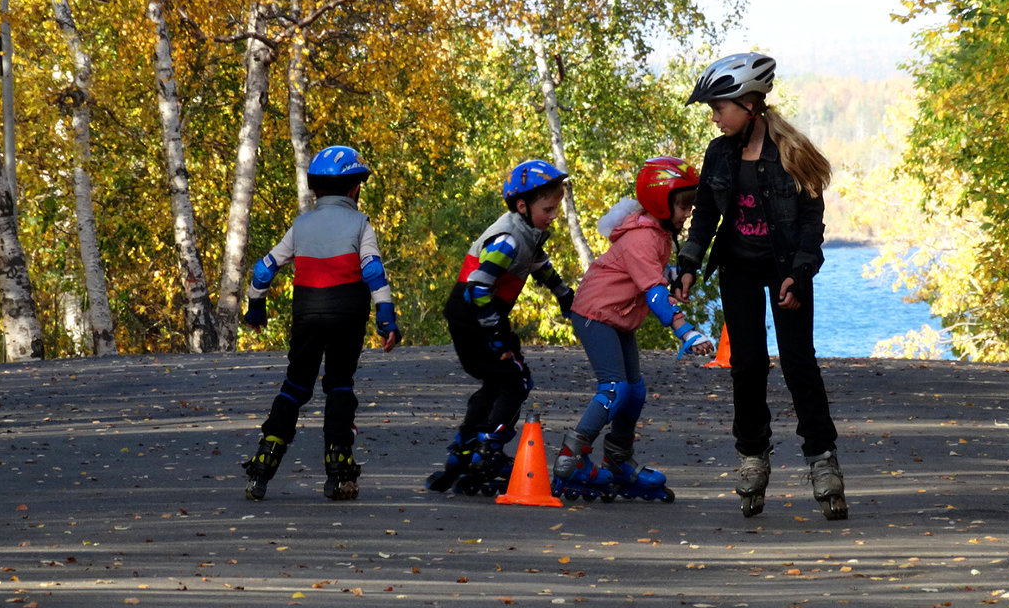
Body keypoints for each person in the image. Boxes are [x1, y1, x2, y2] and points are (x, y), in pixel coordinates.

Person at [673, 53, 848, 520]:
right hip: (739, 269)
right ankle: (753, 455)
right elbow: (706, 215)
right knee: (746, 365)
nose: (714, 116)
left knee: (797, 363)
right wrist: (688, 264)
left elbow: (812, 224)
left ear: (750, 104)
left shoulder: (791, 153)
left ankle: (822, 460)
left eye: (719, 107)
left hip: (787, 268)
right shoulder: (719, 153)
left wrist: (801, 271)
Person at [241, 145, 401, 502]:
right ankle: (339, 467)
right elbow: (373, 270)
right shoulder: (360, 224)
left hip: (307, 314)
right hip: (348, 314)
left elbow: (264, 268)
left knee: (296, 386)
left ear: (315, 189)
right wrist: (386, 317)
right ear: (355, 188)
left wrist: (255, 308)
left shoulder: (301, 226)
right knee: (339, 384)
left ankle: (264, 461)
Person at [552, 157, 715, 503]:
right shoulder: (642, 237)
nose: (688, 212)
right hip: (596, 314)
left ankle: (618, 461)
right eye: (684, 205)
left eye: (690, 205)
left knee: (635, 392)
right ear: (661, 201)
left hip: (618, 316)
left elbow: (654, 275)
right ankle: (570, 459)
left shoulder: (656, 234)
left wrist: (675, 276)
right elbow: (653, 292)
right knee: (615, 389)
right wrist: (685, 331)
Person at [426, 159, 575, 495]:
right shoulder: (508, 238)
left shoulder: (527, 231)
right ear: (522, 205)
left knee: (496, 382)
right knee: (516, 380)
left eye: (556, 209)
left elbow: (538, 263)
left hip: (476, 314)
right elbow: (479, 288)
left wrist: (563, 293)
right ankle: (489, 450)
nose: (553, 216)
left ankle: (465, 446)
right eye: (548, 209)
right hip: (475, 315)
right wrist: (497, 337)